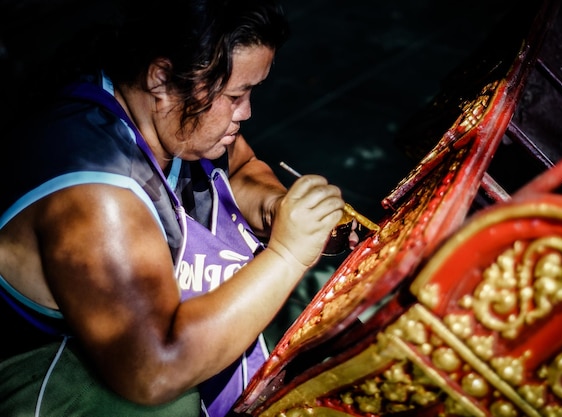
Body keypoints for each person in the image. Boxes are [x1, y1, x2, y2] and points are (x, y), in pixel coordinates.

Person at [0, 0, 352, 415]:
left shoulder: (167, 115)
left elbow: (241, 166)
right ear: (162, 78)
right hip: (45, 371)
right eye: (236, 94)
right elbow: (154, 371)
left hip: (142, 337)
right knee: (169, 406)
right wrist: (287, 253)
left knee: (327, 314)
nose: (247, 111)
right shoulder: (98, 194)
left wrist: (275, 206)